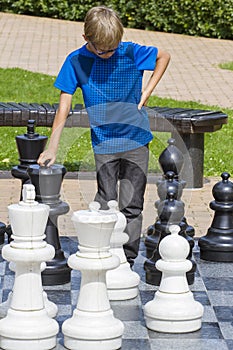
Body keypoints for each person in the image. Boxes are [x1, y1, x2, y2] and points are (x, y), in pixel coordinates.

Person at [38, 5, 170, 267]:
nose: (109, 53)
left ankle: (126, 260)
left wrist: (147, 92)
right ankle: (103, 252)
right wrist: (52, 146)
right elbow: (64, 105)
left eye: (113, 48)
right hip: (103, 143)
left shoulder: (130, 51)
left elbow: (163, 56)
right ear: (86, 38)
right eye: (103, 50)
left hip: (136, 140)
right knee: (106, 202)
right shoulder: (76, 61)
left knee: (132, 204)